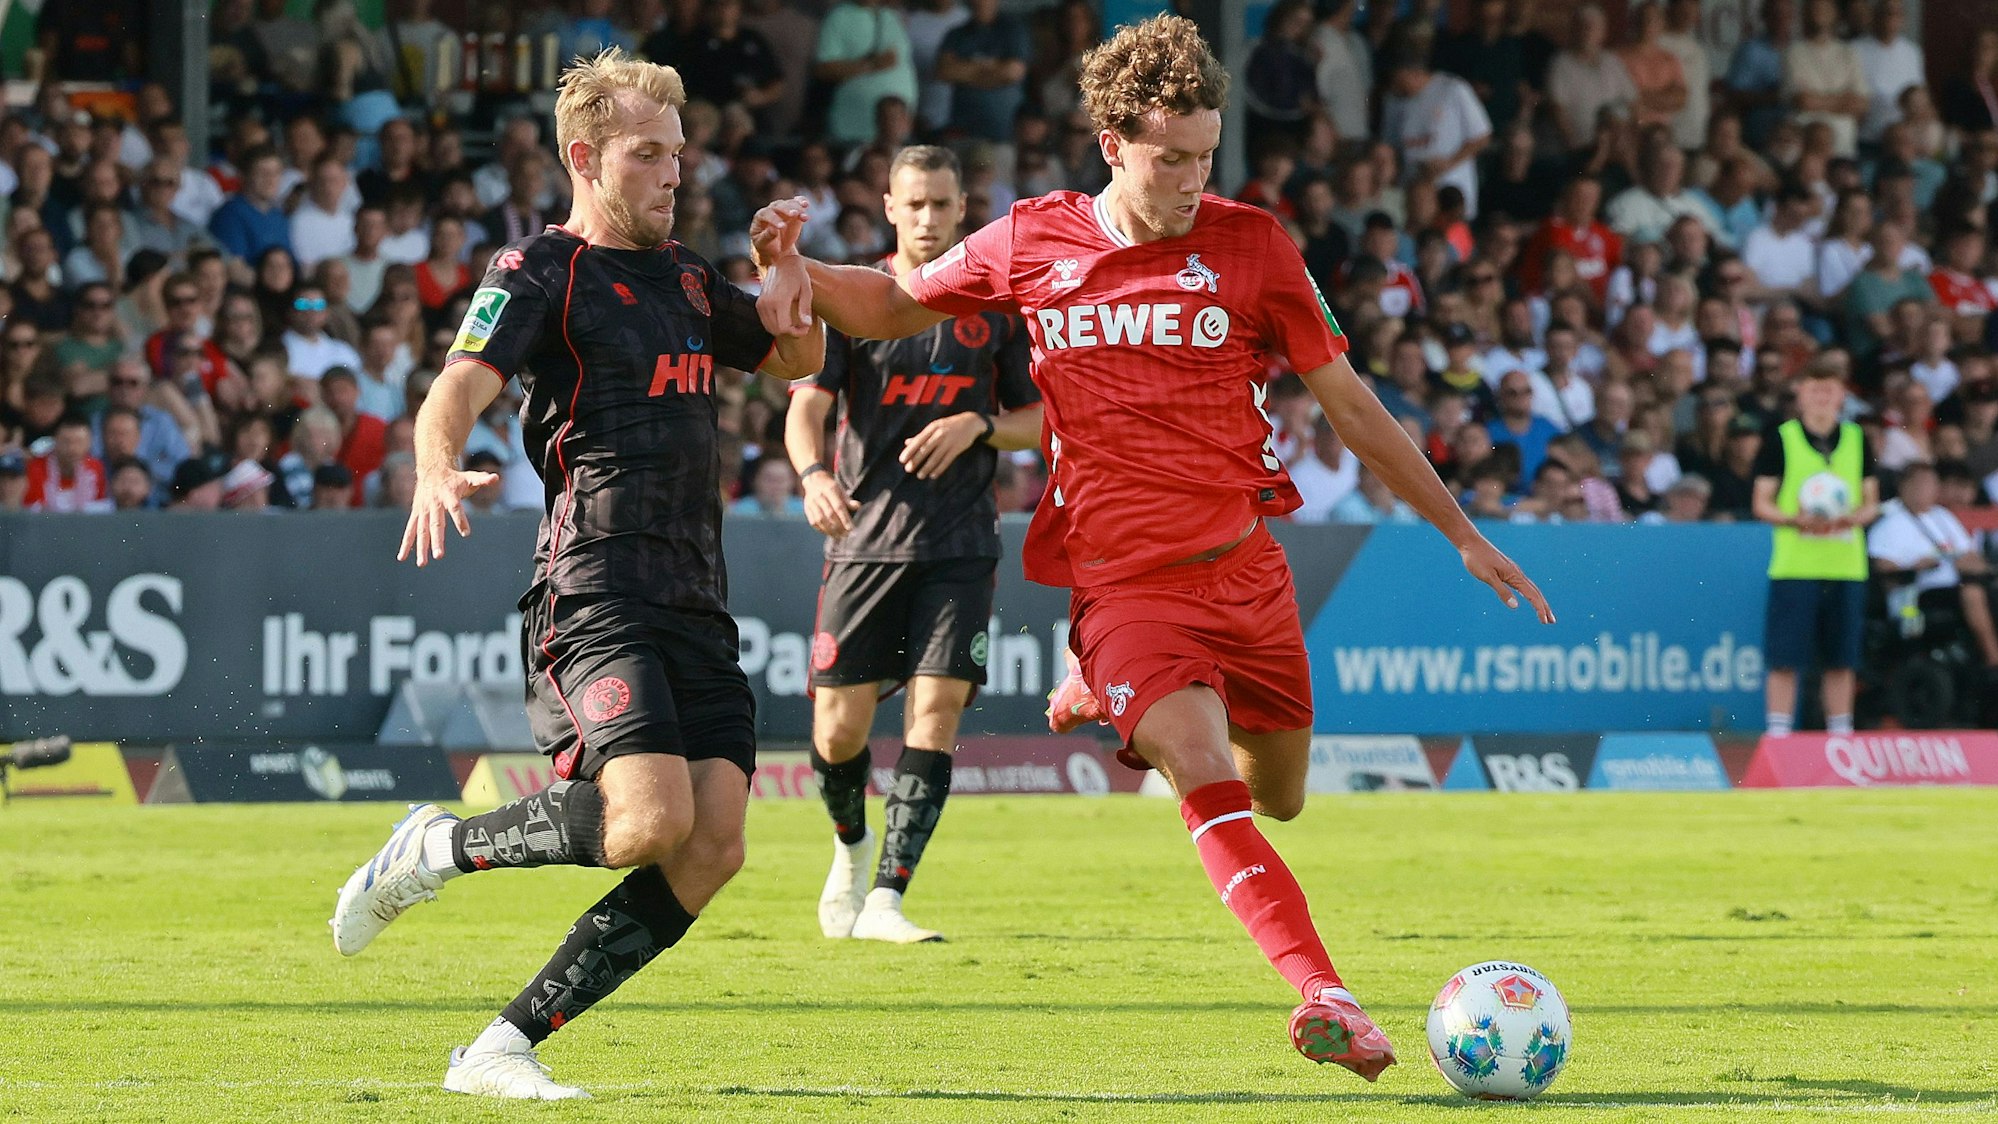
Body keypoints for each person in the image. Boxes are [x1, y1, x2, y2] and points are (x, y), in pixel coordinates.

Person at [751, 14, 1552, 1082]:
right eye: (1169, 156)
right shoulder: (1034, 239)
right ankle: (1328, 992)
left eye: (1205, 154)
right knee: (1204, 769)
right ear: (1113, 143)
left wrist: (1460, 531)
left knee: (1283, 796)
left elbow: (1351, 405)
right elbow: (895, 301)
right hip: (1124, 584)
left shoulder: (1253, 243)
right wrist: (797, 264)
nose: (1189, 176)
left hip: (1247, 572)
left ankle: (1096, 691)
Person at [328, 48, 824, 1101]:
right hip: (593, 588)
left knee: (712, 846)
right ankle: (437, 847)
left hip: (698, 597)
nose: (673, 173)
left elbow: (794, 358)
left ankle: (501, 1045)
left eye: (679, 155)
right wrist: (432, 465)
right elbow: (457, 385)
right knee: (644, 821)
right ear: (586, 157)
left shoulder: (689, 275)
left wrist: (784, 273)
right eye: (648, 155)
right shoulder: (538, 272)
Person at [783, 145, 1041, 944]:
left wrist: (980, 424)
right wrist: (812, 475)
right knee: (838, 734)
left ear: (963, 209)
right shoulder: (859, 301)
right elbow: (805, 409)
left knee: (935, 711)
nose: (928, 219)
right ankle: (852, 846)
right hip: (864, 542)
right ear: (889, 209)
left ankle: (889, 898)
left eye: (941, 204)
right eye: (914, 205)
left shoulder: (996, 309)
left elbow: (1041, 420)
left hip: (961, 543)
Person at [1752, 355, 1881, 738]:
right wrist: (1796, 520)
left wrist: (1854, 518)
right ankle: (1778, 735)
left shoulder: (1858, 439)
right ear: (1800, 393)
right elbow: (1762, 501)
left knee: (1841, 660)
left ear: (1841, 395)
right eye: (1815, 389)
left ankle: (1840, 734)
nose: (1823, 397)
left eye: (1830, 390)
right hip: (1796, 565)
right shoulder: (1781, 438)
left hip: (1845, 564)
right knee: (1785, 659)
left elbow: (1871, 500)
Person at [1867, 461, 1998, 671]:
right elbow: (1883, 568)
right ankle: (1993, 662)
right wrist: (1918, 565)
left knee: (1978, 588)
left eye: (1930, 483)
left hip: (1955, 585)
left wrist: (1962, 562)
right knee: (1972, 593)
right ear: (1903, 486)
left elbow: (1971, 556)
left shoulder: (1942, 516)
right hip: (1918, 594)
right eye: (1920, 483)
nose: (1926, 489)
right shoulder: (1888, 524)